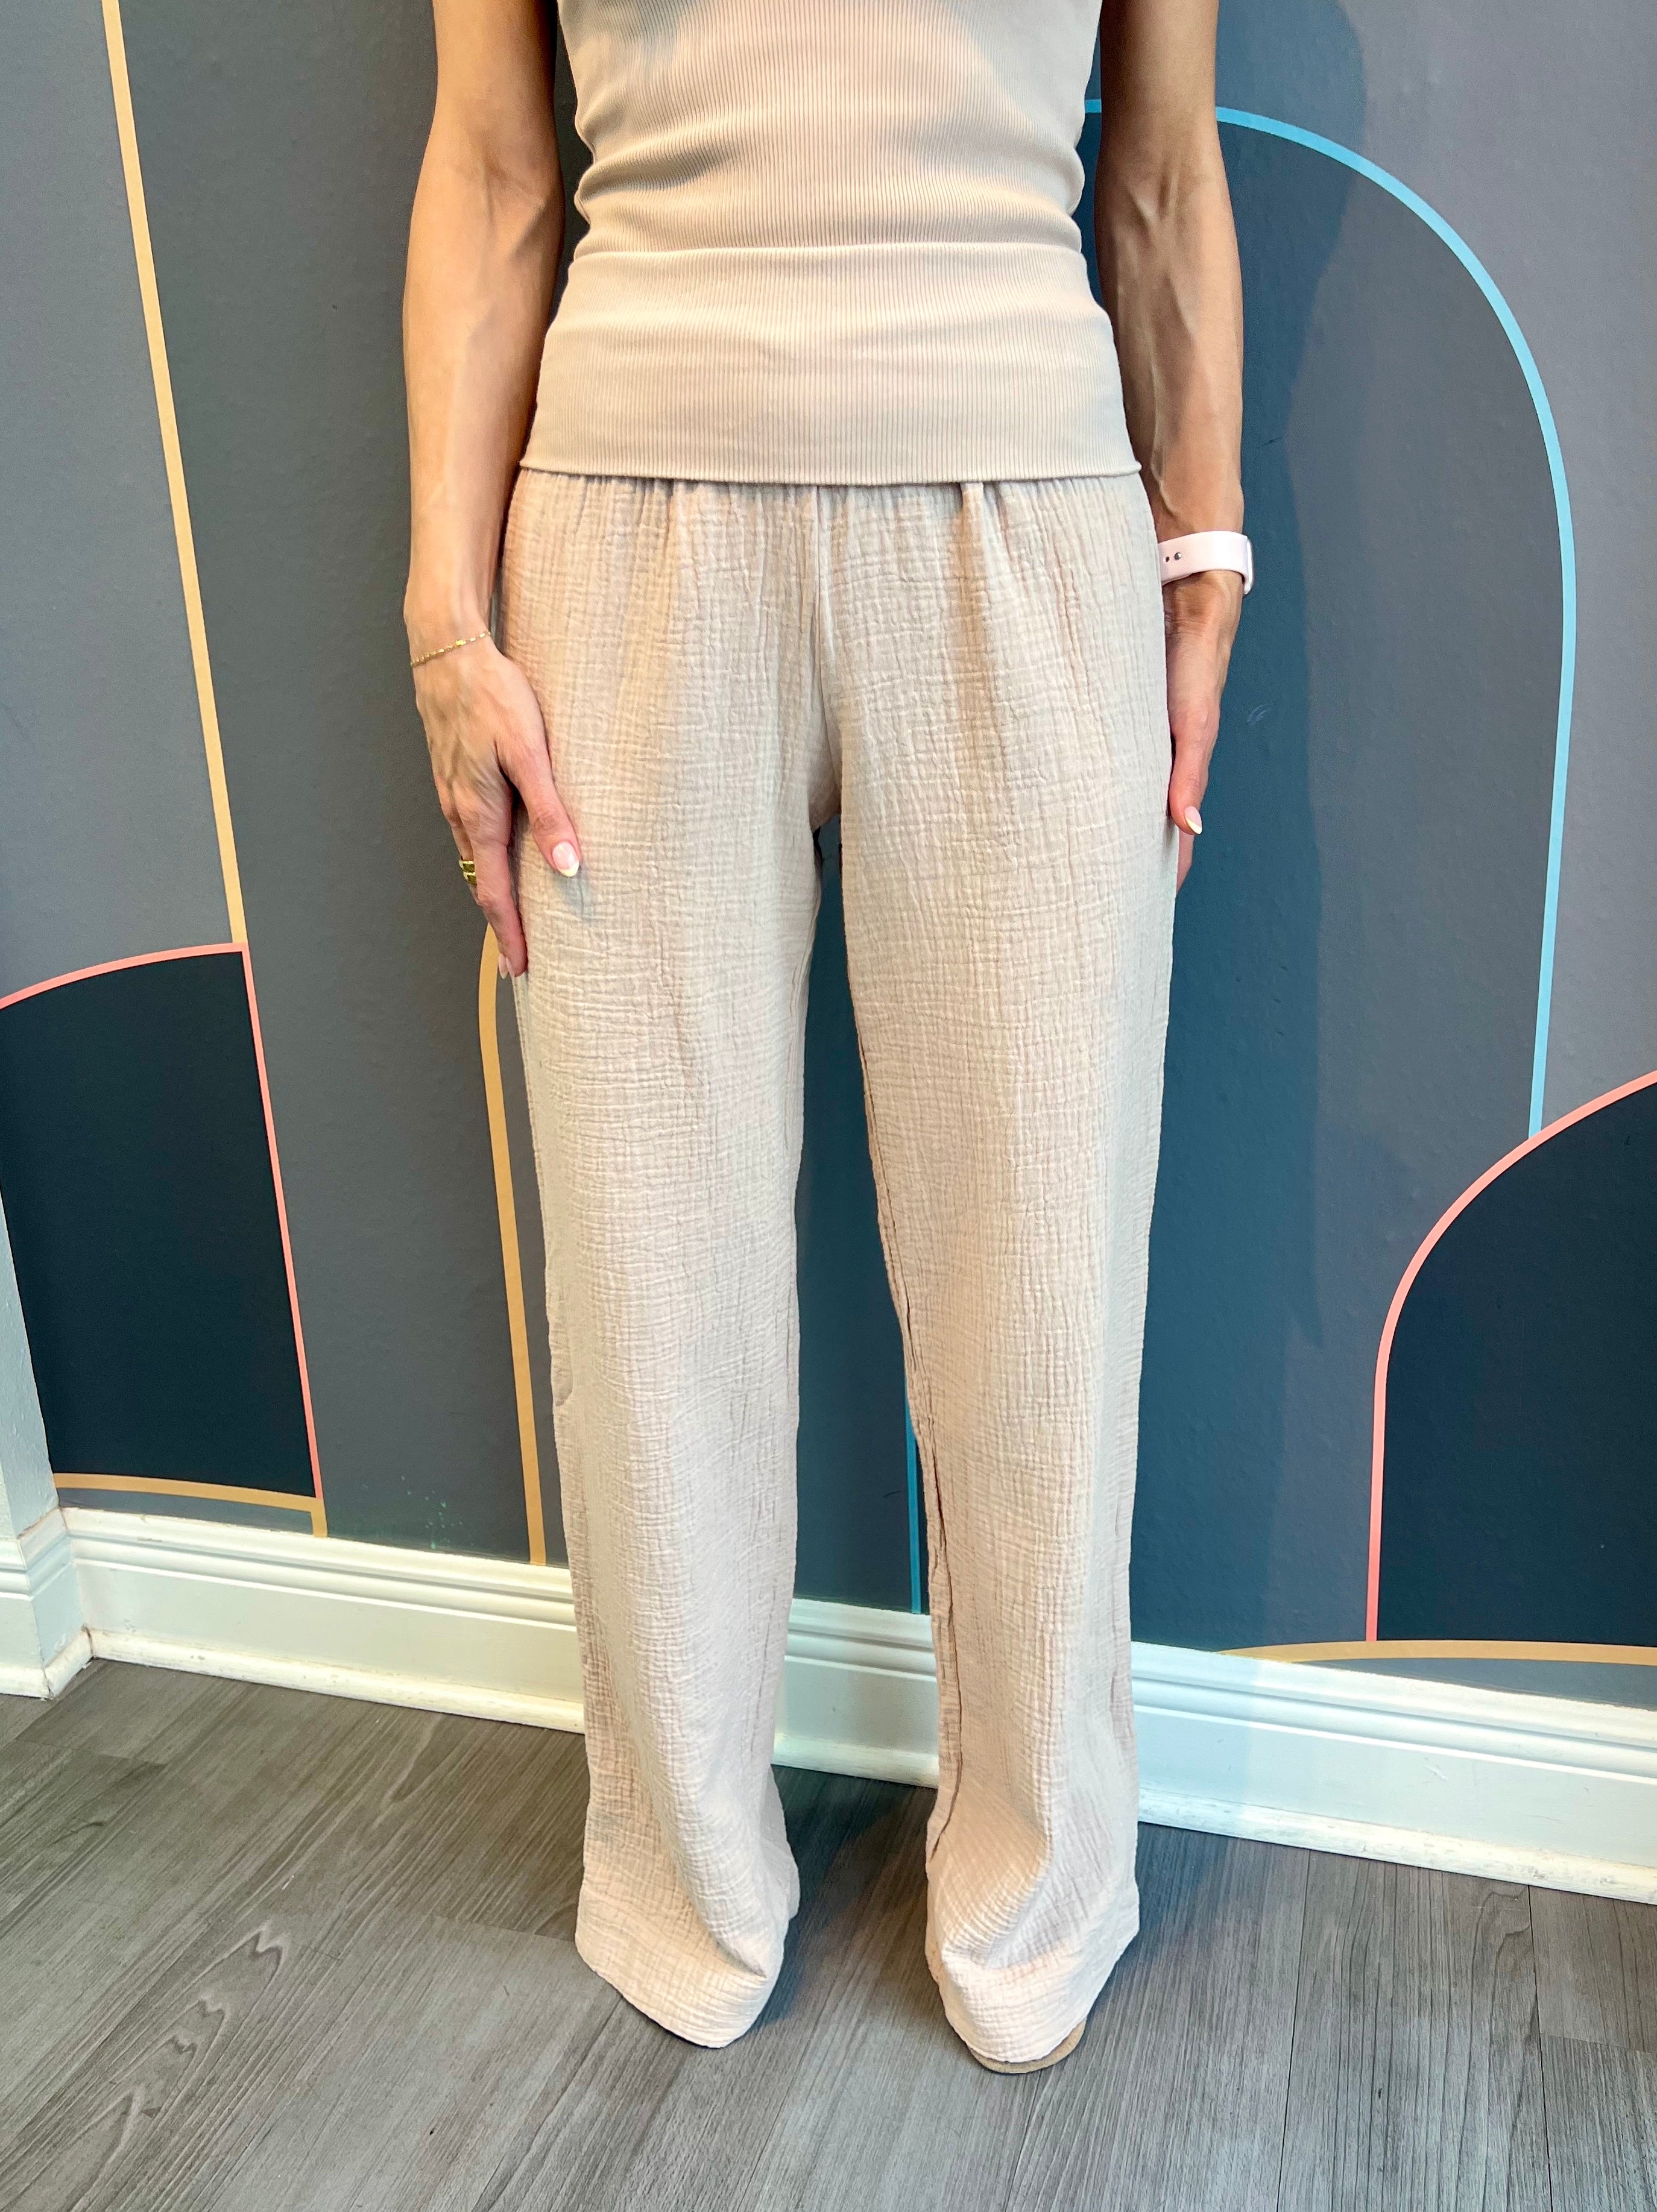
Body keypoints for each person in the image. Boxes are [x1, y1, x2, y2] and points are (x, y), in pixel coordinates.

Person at [403, 0, 1246, 2073]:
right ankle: (678, 1874)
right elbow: (496, 166)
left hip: (1025, 519)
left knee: (1041, 1276)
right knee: (647, 1278)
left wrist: (1202, 549)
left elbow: (1157, 169)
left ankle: (1040, 1880)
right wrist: (443, 615)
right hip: (619, 538)